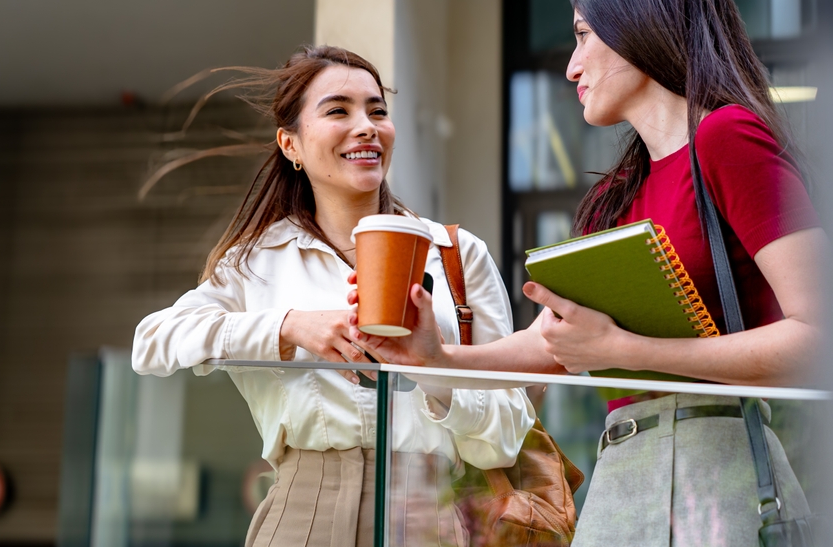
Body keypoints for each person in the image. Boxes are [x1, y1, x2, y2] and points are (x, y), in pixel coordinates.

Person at [350, 0, 825, 546]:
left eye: (582, 35)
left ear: (641, 27)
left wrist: (628, 347)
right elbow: (554, 344)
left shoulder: (728, 138)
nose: (571, 66)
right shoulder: (619, 193)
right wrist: (437, 358)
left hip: (715, 466)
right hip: (624, 470)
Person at [131, 46, 534, 547]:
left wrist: (433, 372)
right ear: (290, 144)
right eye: (338, 110)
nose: (366, 126)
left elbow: (509, 430)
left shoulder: (455, 253)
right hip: (303, 512)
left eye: (377, 110)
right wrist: (289, 326)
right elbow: (151, 343)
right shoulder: (256, 262)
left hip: (429, 513)